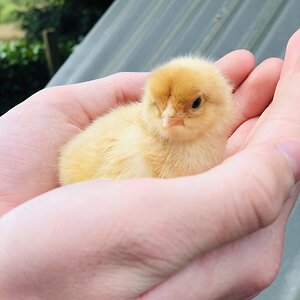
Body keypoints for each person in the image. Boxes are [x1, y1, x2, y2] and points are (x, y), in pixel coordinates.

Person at [0, 29, 300, 300]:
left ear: (220, 102)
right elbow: (76, 167)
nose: (169, 117)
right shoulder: (140, 152)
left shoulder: (204, 141)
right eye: (159, 106)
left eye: (193, 104)